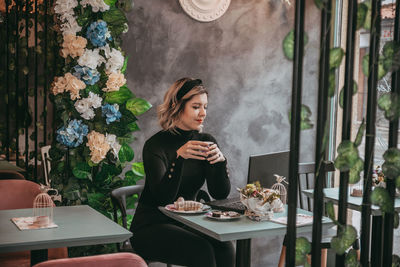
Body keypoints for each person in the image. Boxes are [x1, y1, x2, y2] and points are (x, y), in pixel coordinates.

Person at [130, 78, 234, 267]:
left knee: (225, 247)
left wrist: (221, 162)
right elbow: (163, 198)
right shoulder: (155, 145)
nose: (203, 113)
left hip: (189, 222)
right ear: (177, 106)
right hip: (151, 226)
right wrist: (179, 159)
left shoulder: (206, 141)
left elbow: (220, 194)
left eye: (205, 107)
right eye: (196, 107)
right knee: (201, 250)